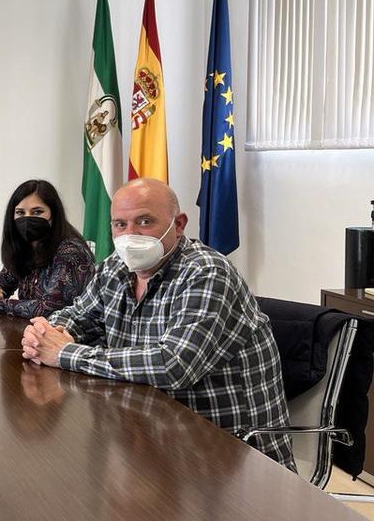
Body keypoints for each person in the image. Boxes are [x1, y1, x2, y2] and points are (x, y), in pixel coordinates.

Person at [21, 178, 295, 470]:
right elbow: (78, 315)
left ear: (178, 225)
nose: (130, 235)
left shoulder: (207, 273)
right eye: (120, 225)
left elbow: (174, 365)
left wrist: (65, 353)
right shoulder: (116, 267)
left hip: (231, 457)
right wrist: (46, 333)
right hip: (148, 436)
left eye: (144, 221)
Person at [0, 179, 95, 318]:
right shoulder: (28, 245)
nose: (27, 219)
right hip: (33, 333)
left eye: (37, 212)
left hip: (69, 337)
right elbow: (3, 281)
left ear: (54, 214)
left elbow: (47, 308)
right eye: (20, 213)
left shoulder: (71, 251)